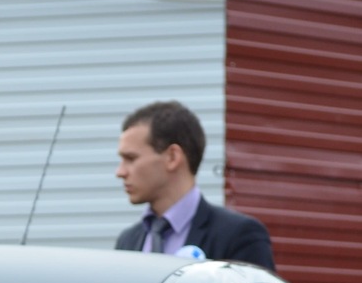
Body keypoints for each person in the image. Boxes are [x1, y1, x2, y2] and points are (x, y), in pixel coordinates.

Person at [115, 101, 275, 268]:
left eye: (131, 158)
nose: (120, 172)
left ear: (172, 157)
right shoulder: (127, 242)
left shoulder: (238, 236)